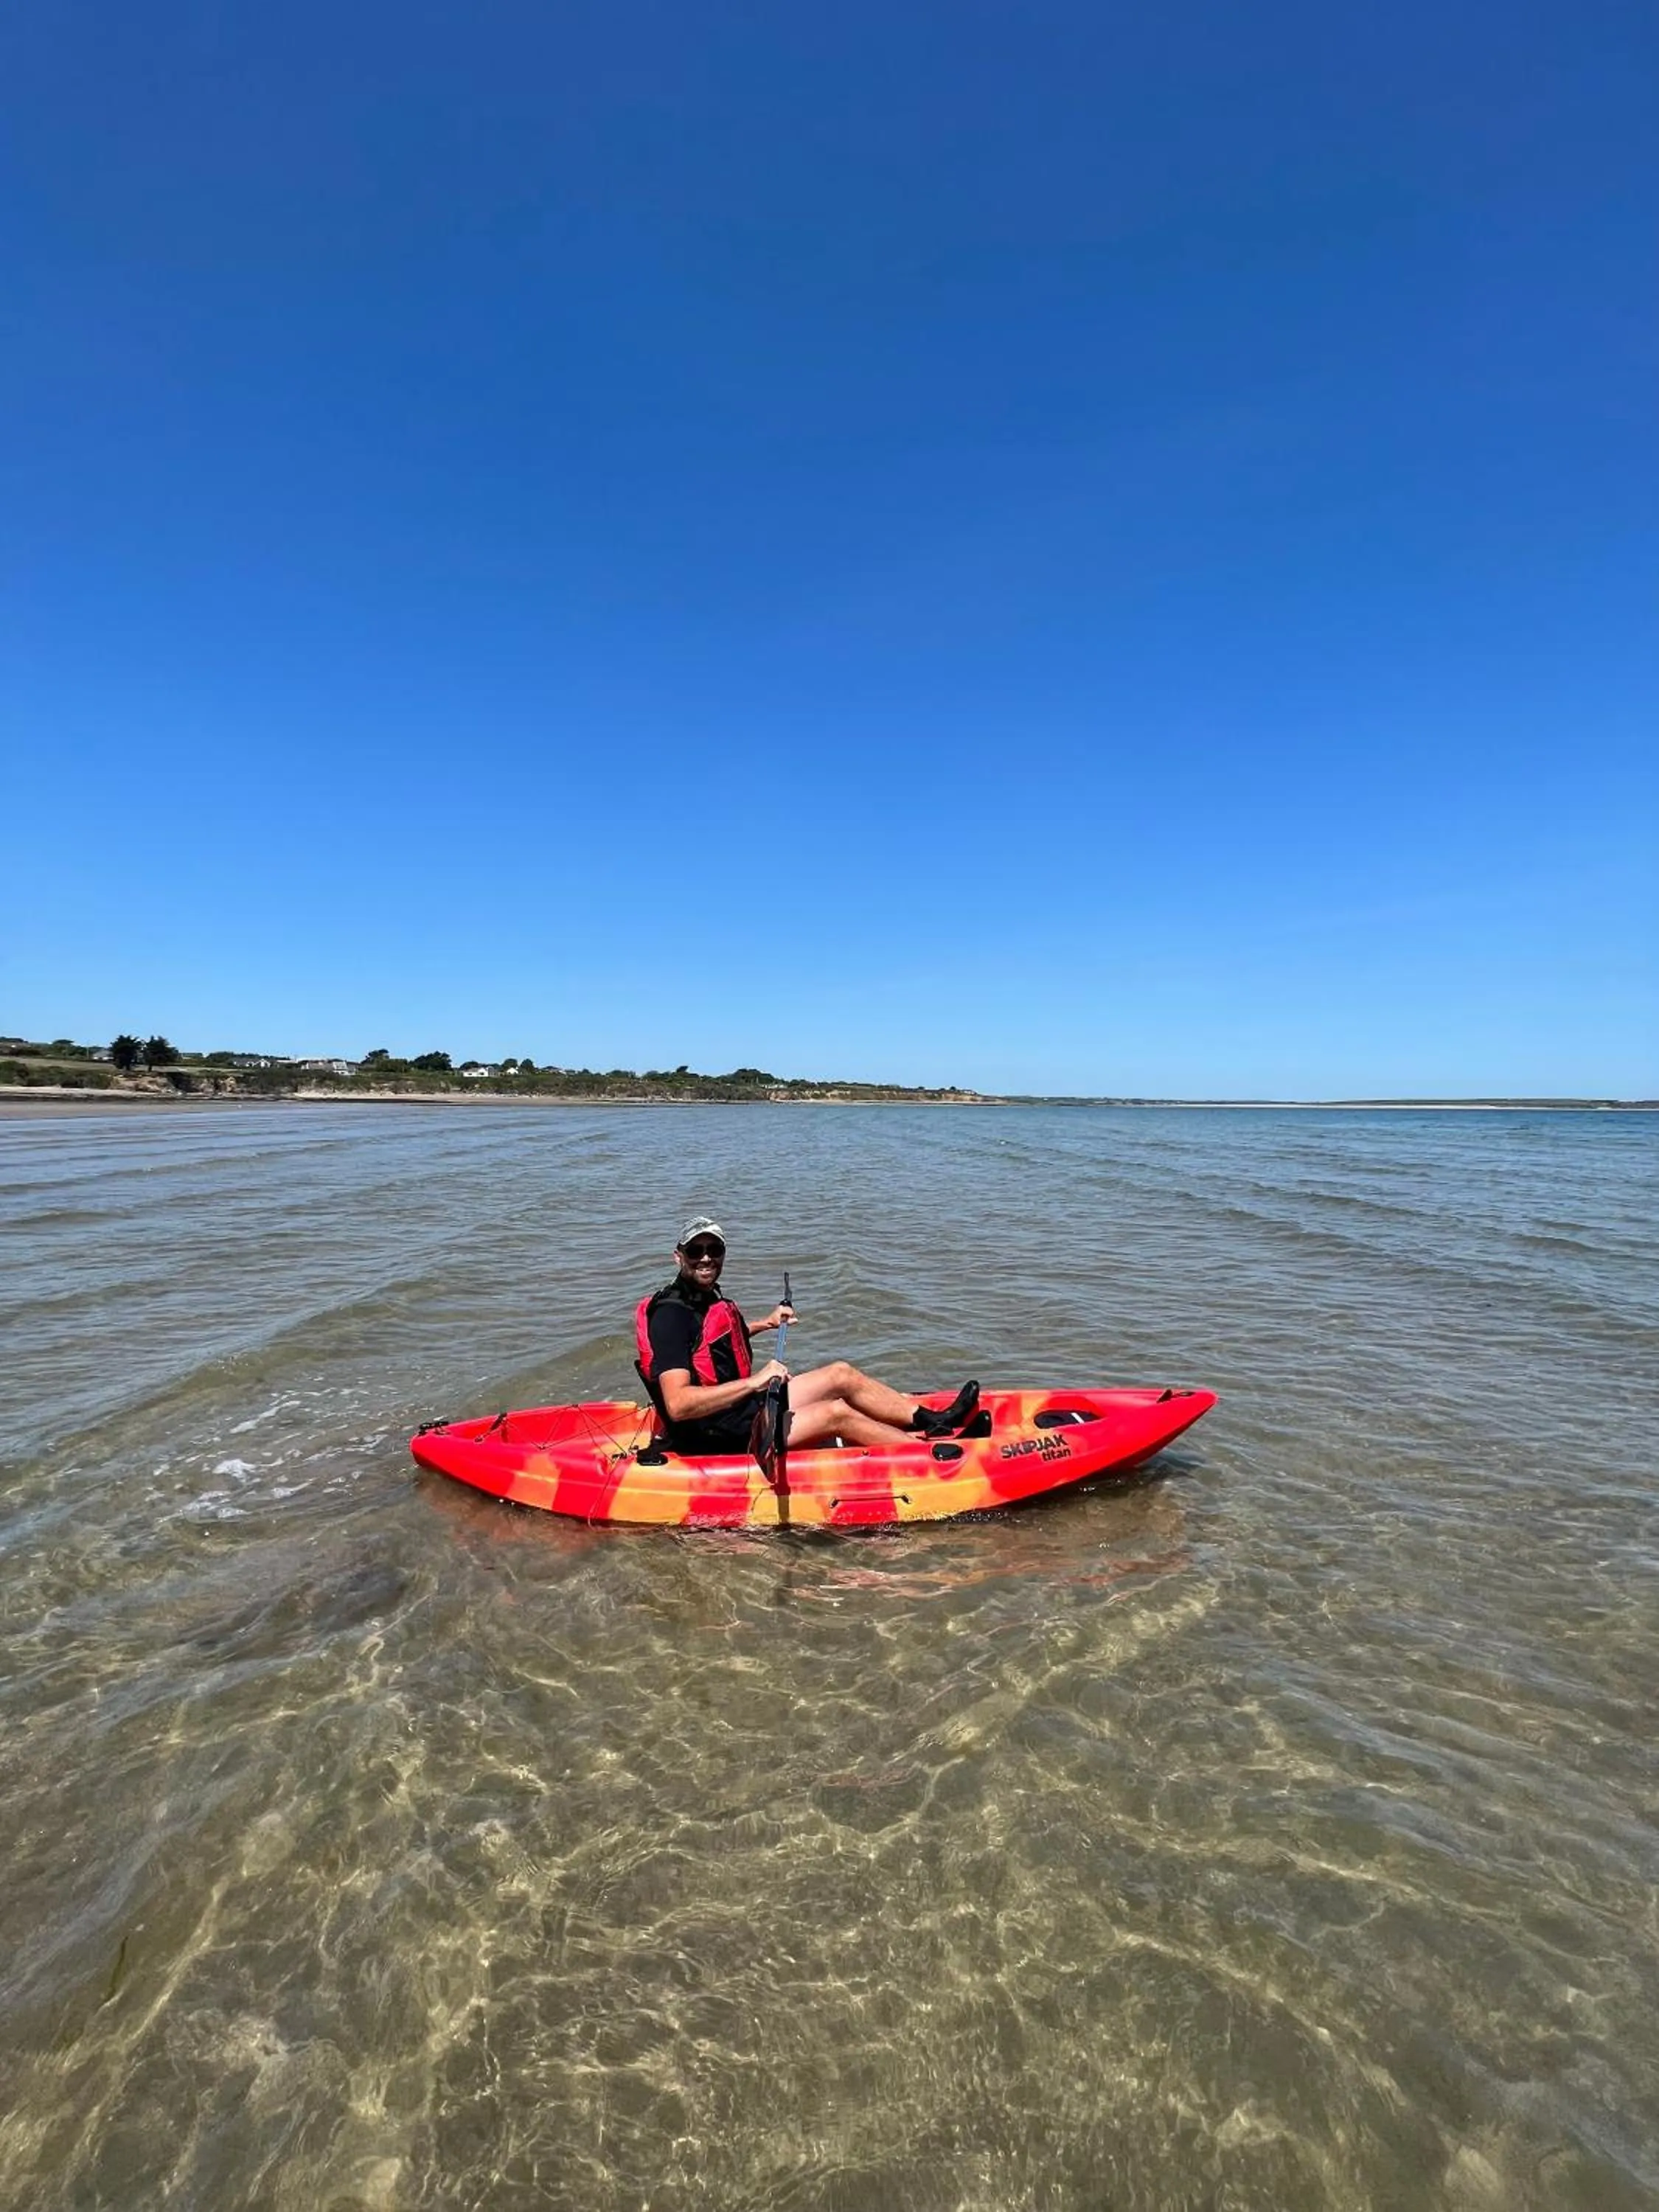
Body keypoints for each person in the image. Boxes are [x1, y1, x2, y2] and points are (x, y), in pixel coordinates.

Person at [636, 1215, 979, 1455]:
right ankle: (931, 1456)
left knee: (840, 1374)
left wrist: (766, 1323)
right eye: (696, 1251)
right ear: (678, 1256)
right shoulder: (671, 1316)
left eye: (715, 1249)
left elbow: (713, 1347)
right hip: (718, 1432)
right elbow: (678, 1405)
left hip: (740, 1408)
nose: (706, 1258)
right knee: (835, 1413)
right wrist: (756, 1382)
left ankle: (937, 1421)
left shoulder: (700, 1297)